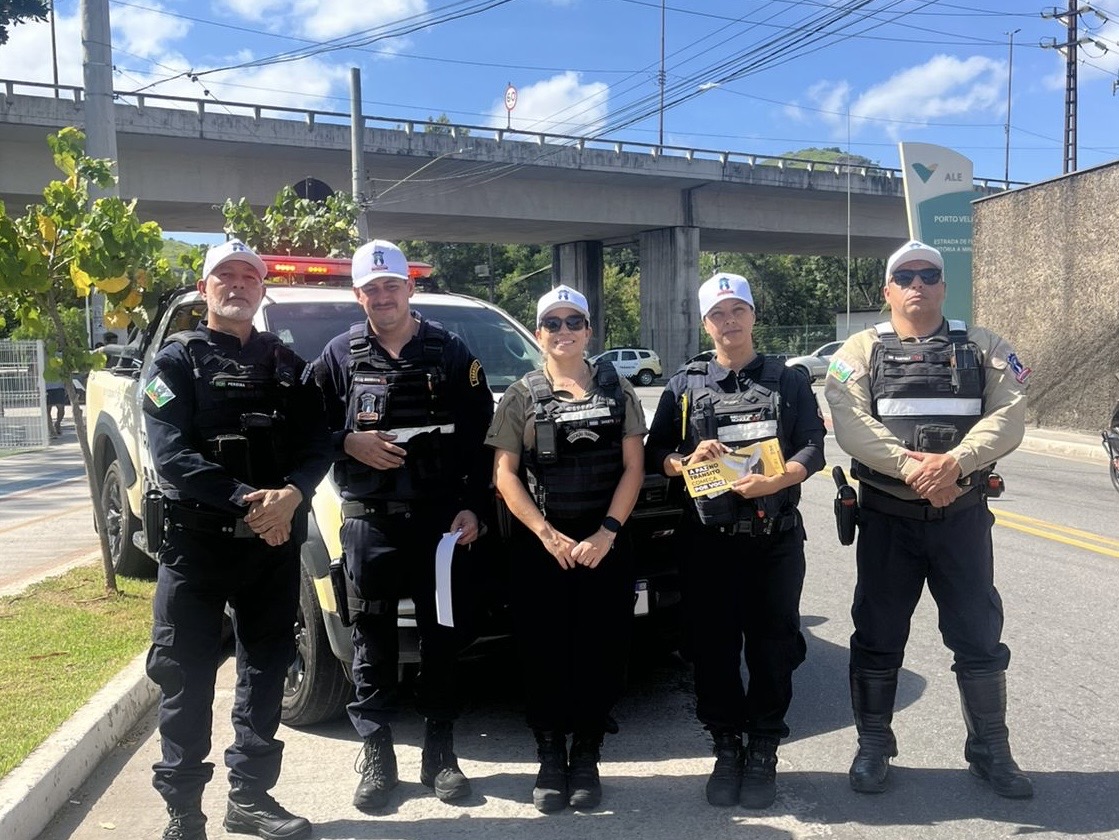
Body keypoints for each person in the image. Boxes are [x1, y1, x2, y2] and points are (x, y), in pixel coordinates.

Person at [824, 239, 1033, 799]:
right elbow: (848, 420)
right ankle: (873, 747)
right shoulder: (860, 349)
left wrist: (956, 463)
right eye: (905, 276)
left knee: (979, 635)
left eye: (929, 274)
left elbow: (1010, 414)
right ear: (888, 290)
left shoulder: (985, 345)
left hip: (961, 517)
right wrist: (915, 470)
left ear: (943, 286)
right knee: (877, 634)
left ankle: (990, 748)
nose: (918, 284)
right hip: (887, 518)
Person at [142, 238, 333, 840]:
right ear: (205, 290)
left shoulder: (287, 364)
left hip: (272, 547)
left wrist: (296, 492)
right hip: (197, 547)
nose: (237, 285)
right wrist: (251, 501)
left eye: (248, 277)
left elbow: (319, 441)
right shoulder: (175, 362)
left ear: (261, 289)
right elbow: (170, 454)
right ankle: (183, 813)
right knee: (185, 675)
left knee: (266, 669)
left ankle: (249, 799)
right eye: (224, 276)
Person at [315, 239, 494, 811]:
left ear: (409, 288)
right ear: (358, 294)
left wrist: (475, 506)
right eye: (371, 288)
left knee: (443, 637)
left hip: (441, 524)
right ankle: (377, 752)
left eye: (392, 285)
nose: (383, 296)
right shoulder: (339, 356)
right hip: (371, 523)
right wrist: (348, 440)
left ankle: (440, 753)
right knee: (372, 639)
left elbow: (481, 436)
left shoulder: (449, 351)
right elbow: (303, 427)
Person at [646, 272, 825, 810]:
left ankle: (764, 746)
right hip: (708, 541)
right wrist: (684, 462)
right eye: (718, 314)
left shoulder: (787, 381)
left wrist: (778, 479)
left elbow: (813, 447)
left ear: (752, 315)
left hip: (774, 538)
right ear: (706, 323)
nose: (729, 321)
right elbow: (659, 454)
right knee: (713, 649)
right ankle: (727, 745)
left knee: (774, 647)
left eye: (737, 310)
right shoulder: (684, 385)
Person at [487, 284, 646, 813]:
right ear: (539, 334)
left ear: (588, 331)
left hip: (604, 543)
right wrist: (545, 533)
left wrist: (607, 532)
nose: (563, 331)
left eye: (572, 321)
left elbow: (634, 468)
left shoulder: (617, 390)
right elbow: (505, 476)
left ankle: (588, 755)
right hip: (542, 549)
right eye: (552, 323)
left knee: (600, 652)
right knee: (543, 653)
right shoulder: (520, 395)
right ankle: (550, 755)